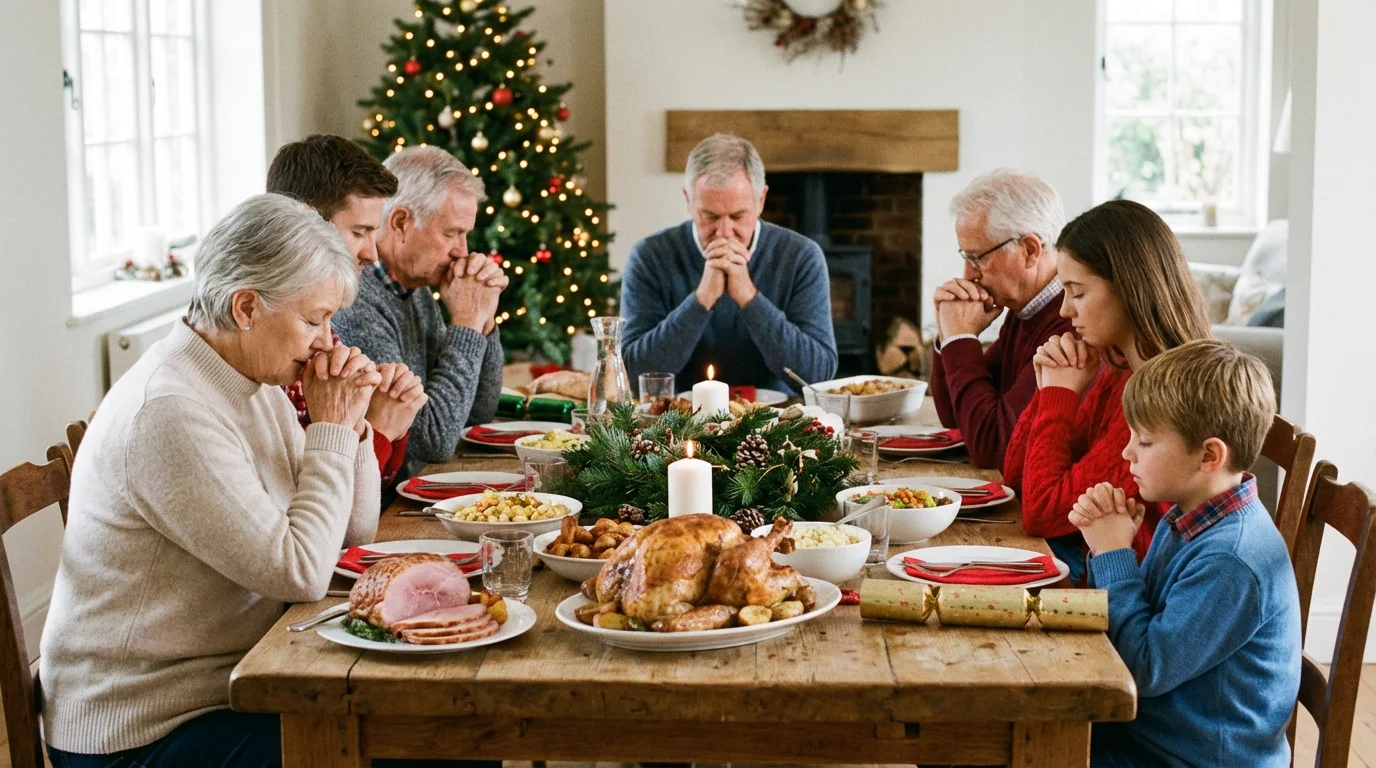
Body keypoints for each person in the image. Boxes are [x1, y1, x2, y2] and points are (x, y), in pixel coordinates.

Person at [40, 194, 383, 766]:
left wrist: (350, 427)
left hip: (236, 681)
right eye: (313, 319)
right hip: (140, 728)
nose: (327, 341)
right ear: (246, 307)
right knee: (422, 747)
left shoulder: (253, 383)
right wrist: (330, 429)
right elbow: (300, 572)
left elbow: (349, 534)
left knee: (439, 732)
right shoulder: (168, 412)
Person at [1071, 339, 1300, 767]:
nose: (1126, 453)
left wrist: (1113, 553)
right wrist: (1106, 546)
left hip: (1187, 757)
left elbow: (1143, 669)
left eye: (1145, 441)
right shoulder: (1190, 515)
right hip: (1154, 737)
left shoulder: (1232, 558)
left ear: (1210, 456)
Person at [1002, 199, 1212, 583]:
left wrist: (1057, 397)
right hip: (1090, 556)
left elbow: (1041, 512)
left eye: (1077, 293)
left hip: (1129, 582)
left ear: (1131, 289)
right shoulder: (1113, 367)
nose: (1065, 311)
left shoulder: (1156, 395)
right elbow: (1014, 478)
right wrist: (1047, 384)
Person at [333, 146, 507, 478]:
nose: (463, 251)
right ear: (400, 222)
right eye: (451, 233)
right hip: (385, 511)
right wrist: (467, 323)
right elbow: (431, 441)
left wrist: (484, 320)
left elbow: (479, 413)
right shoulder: (355, 301)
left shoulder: (415, 289)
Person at [267, 134, 426, 488]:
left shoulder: (324, 328)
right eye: (360, 232)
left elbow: (375, 488)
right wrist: (381, 429)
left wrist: (380, 420)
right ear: (306, 222)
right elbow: (318, 502)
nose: (373, 253)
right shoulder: (275, 342)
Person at [620, 133, 837, 393]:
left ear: (761, 201)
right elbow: (633, 376)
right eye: (709, 216)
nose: (724, 232)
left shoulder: (802, 256)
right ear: (688, 200)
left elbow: (819, 375)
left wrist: (749, 298)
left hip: (779, 422)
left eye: (737, 216)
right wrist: (702, 299)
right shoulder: (649, 257)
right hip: (678, 424)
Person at [930, 169, 1075, 469]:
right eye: (965, 257)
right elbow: (957, 421)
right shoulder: (1026, 307)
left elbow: (993, 447)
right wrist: (948, 335)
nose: (968, 273)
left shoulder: (1070, 324)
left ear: (1030, 250)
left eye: (977, 257)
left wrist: (960, 339)